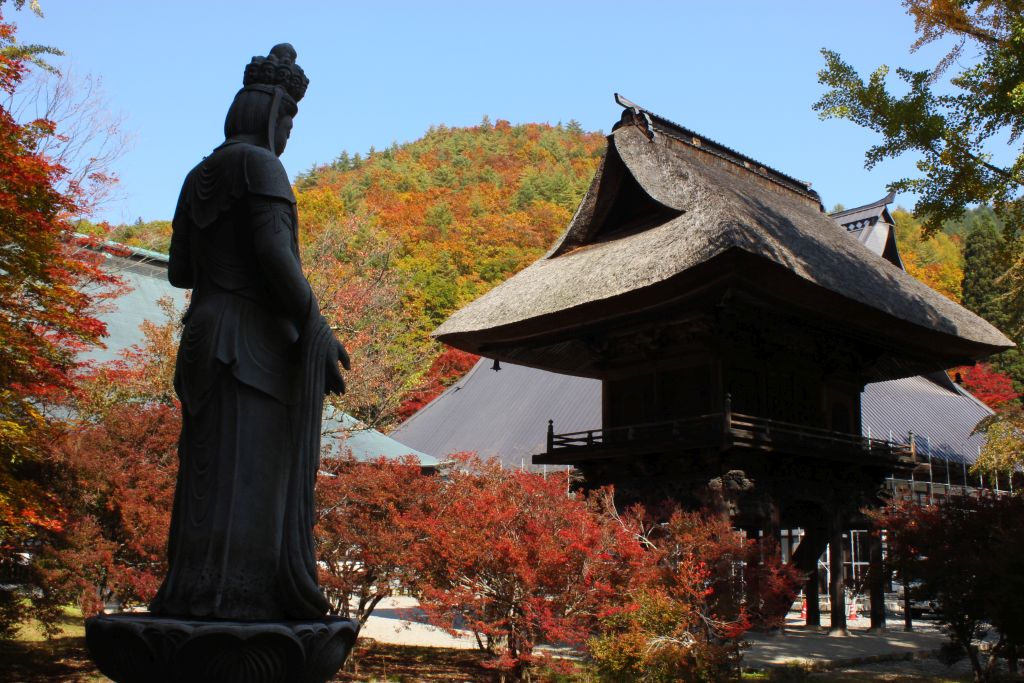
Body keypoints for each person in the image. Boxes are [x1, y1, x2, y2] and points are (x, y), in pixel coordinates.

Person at [151, 44, 349, 621]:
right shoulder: (261, 166)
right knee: (253, 471)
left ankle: (194, 588)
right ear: (269, 114)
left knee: (207, 471)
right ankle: (244, 596)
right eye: (287, 120)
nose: (287, 133)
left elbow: (180, 270)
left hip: (204, 332)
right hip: (251, 342)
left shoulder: (198, 175)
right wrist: (316, 324)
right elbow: (274, 254)